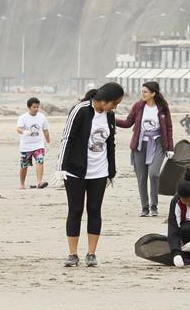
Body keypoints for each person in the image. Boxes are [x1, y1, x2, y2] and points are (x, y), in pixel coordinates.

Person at [53, 83, 124, 268]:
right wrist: (61, 167)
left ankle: (91, 254)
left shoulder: (110, 115)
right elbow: (67, 138)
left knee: (94, 210)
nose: (115, 107)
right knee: (75, 210)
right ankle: (72, 254)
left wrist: (111, 172)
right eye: (114, 103)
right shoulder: (81, 110)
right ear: (104, 99)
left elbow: (111, 143)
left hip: (99, 171)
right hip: (76, 170)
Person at [115, 81, 174, 217]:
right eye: (142, 91)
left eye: (146, 91)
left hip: (158, 144)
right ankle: (145, 207)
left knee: (154, 174)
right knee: (141, 178)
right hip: (140, 144)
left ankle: (154, 206)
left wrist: (170, 148)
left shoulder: (163, 108)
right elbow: (128, 123)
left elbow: (169, 128)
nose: (143, 94)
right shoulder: (138, 106)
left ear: (153, 93)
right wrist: (112, 118)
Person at [16, 97, 50, 189]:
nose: (36, 109)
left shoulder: (42, 117)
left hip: (38, 144)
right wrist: (24, 132)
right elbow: (18, 129)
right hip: (25, 146)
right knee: (24, 165)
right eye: (34, 107)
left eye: (37, 107)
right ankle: (22, 184)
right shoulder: (23, 117)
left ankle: (39, 182)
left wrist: (48, 143)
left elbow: (45, 130)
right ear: (29, 107)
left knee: (40, 161)